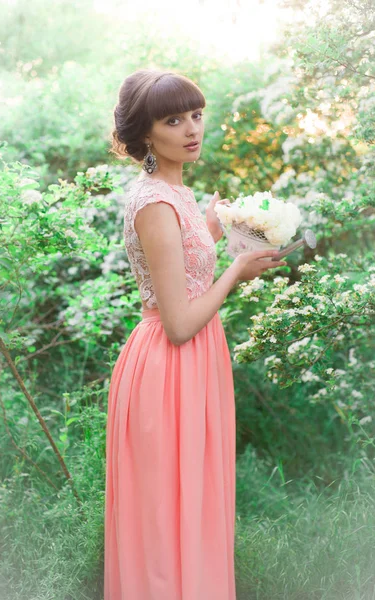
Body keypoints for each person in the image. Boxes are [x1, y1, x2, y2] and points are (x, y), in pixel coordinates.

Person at [104, 69, 287, 600]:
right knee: (166, 511)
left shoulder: (175, 190)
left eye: (196, 115)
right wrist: (236, 271)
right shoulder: (156, 202)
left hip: (194, 362)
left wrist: (211, 231)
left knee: (193, 500)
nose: (192, 129)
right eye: (173, 119)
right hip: (169, 362)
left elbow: (182, 268)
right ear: (144, 134)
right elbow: (180, 322)